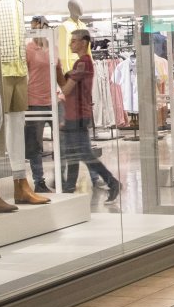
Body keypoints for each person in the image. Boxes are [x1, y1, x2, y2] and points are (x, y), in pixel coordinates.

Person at [55, 30, 120, 202]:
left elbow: (66, 89)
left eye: (74, 41)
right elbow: (65, 87)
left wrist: (56, 69)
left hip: (78, 116)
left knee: (84, 154)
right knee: (72, 155)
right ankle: (69, 188)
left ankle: (112, 182)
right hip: (73, 115)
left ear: (84, 42)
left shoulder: (83, 63)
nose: (70, 44)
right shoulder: (81, 63)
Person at [25, 16, 53, 193]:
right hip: (34, 101)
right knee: (35, 145)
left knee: (65, 140)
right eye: (32, 28)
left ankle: (64, 177)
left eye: (38, 27)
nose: (35, 31)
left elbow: (58, 71)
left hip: (54, 101)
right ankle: (39, 181)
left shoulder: (52, 48)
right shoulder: (28, 49)